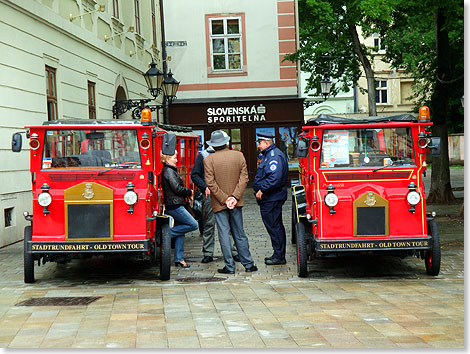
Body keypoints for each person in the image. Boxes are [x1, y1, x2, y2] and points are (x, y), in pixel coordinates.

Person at [203, 130, 258, 274]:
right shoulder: (239, 155)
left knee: (224, 234)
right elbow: (244, 178)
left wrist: (224, 199)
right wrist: (234, 197)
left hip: (219, 203)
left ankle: (229, 266)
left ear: (213, 146)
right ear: (226, 143)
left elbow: (210, 183)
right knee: (239, 233)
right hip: (236, 202)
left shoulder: (208, 160)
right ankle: (248, 264)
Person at [190, 137, 239, 264]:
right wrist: (204, 187)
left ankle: (234, 252)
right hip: (210, 194)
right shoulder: (203, 155)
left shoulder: (228, 155)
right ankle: (208, 252)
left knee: (230, 223)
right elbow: (195, 174)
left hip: (227, 193)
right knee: (209, 224)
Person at [253, 132, 288, 265]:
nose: (258, 146)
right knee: (275, 226)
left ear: (266, 143)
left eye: (260, 143)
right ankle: (278, 254)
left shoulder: (274, 156)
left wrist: (262, 189)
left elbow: (275, 178)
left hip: (272, 198)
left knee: (274, 226)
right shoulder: (269, 155)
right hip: (271, 197)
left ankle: (279, 256)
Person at [160, 151, 199, 268]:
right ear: (167, 159)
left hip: (175, 203)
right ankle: (165, 236)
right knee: (193, 224)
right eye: (174, 158)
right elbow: (176, 188)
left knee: (180, 232)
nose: (176, 160)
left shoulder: (169, 170)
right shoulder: (168, 171)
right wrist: (189, 191)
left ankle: (179, 259)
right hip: (175, 205)